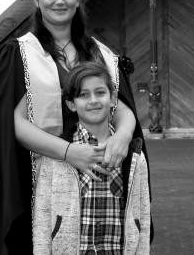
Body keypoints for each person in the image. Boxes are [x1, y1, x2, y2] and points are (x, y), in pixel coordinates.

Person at [0, 0, 153, 254]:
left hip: (100, 169)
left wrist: (122, 137)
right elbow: (13, 123)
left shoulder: (101, 54)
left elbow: (121, 108)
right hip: (41, 177)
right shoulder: (18, 54)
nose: (59, 0)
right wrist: (69, 152)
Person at [33, 62, 151, 254]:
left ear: (113, 98)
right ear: (71, 104)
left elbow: (143, 216)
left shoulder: (135, 156)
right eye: (83, 95)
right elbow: (42, 220)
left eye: (100, 93)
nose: (93, 100)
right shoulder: (53, 157)